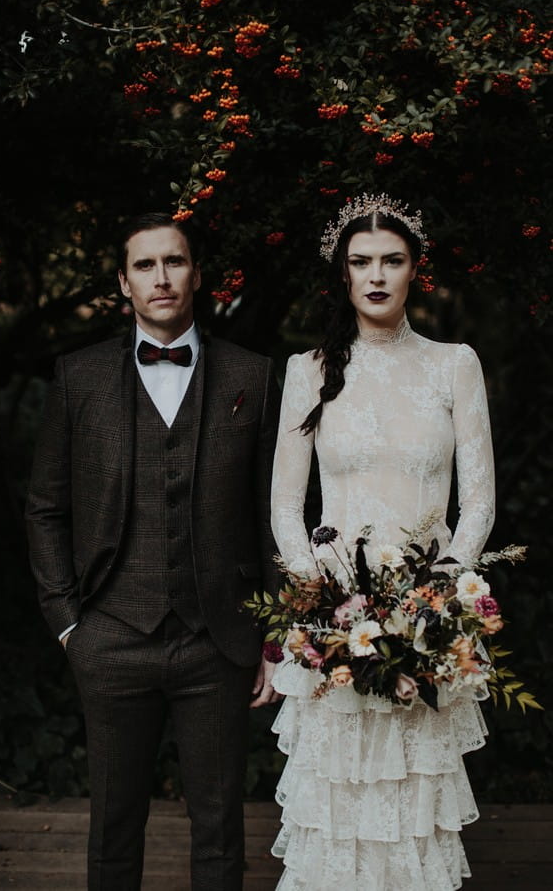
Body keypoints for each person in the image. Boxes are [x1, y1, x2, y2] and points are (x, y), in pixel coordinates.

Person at [25, 212, 282, 891]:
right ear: (124, 283)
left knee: (221, 829)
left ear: (196, 273)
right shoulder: (79, 378)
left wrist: (274, 636)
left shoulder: (252, 377)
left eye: (174, 262)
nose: (162, 278)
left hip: (218, 640)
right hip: (109, 636)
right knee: (113, 826)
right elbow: (46, 507)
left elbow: (271, 512)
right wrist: (69, 623)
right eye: (145, 265)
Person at [269, 193, 495, 890]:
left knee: (413, 804)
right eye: (361, 261)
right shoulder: (308, 370)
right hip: (336, 627)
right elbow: (284, 503)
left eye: (391, 261)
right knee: (336, 808)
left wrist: (436, 595)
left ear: (414, 270)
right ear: (343, 274)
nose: (376, 275)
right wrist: (323, 597)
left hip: (426, 620)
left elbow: (478, 499)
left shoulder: (455, 363)